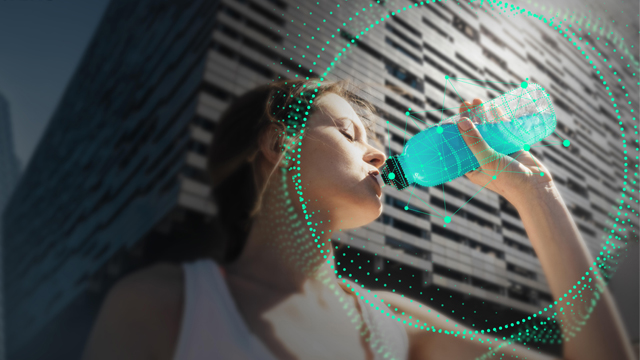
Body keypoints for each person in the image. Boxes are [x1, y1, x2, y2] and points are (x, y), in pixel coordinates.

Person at [81, 78, 635, 360]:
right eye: (350, 133)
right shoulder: (164, 306)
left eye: (374, 143)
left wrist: (536, 195)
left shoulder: (396, 324)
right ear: (278, 143)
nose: (376, 154)